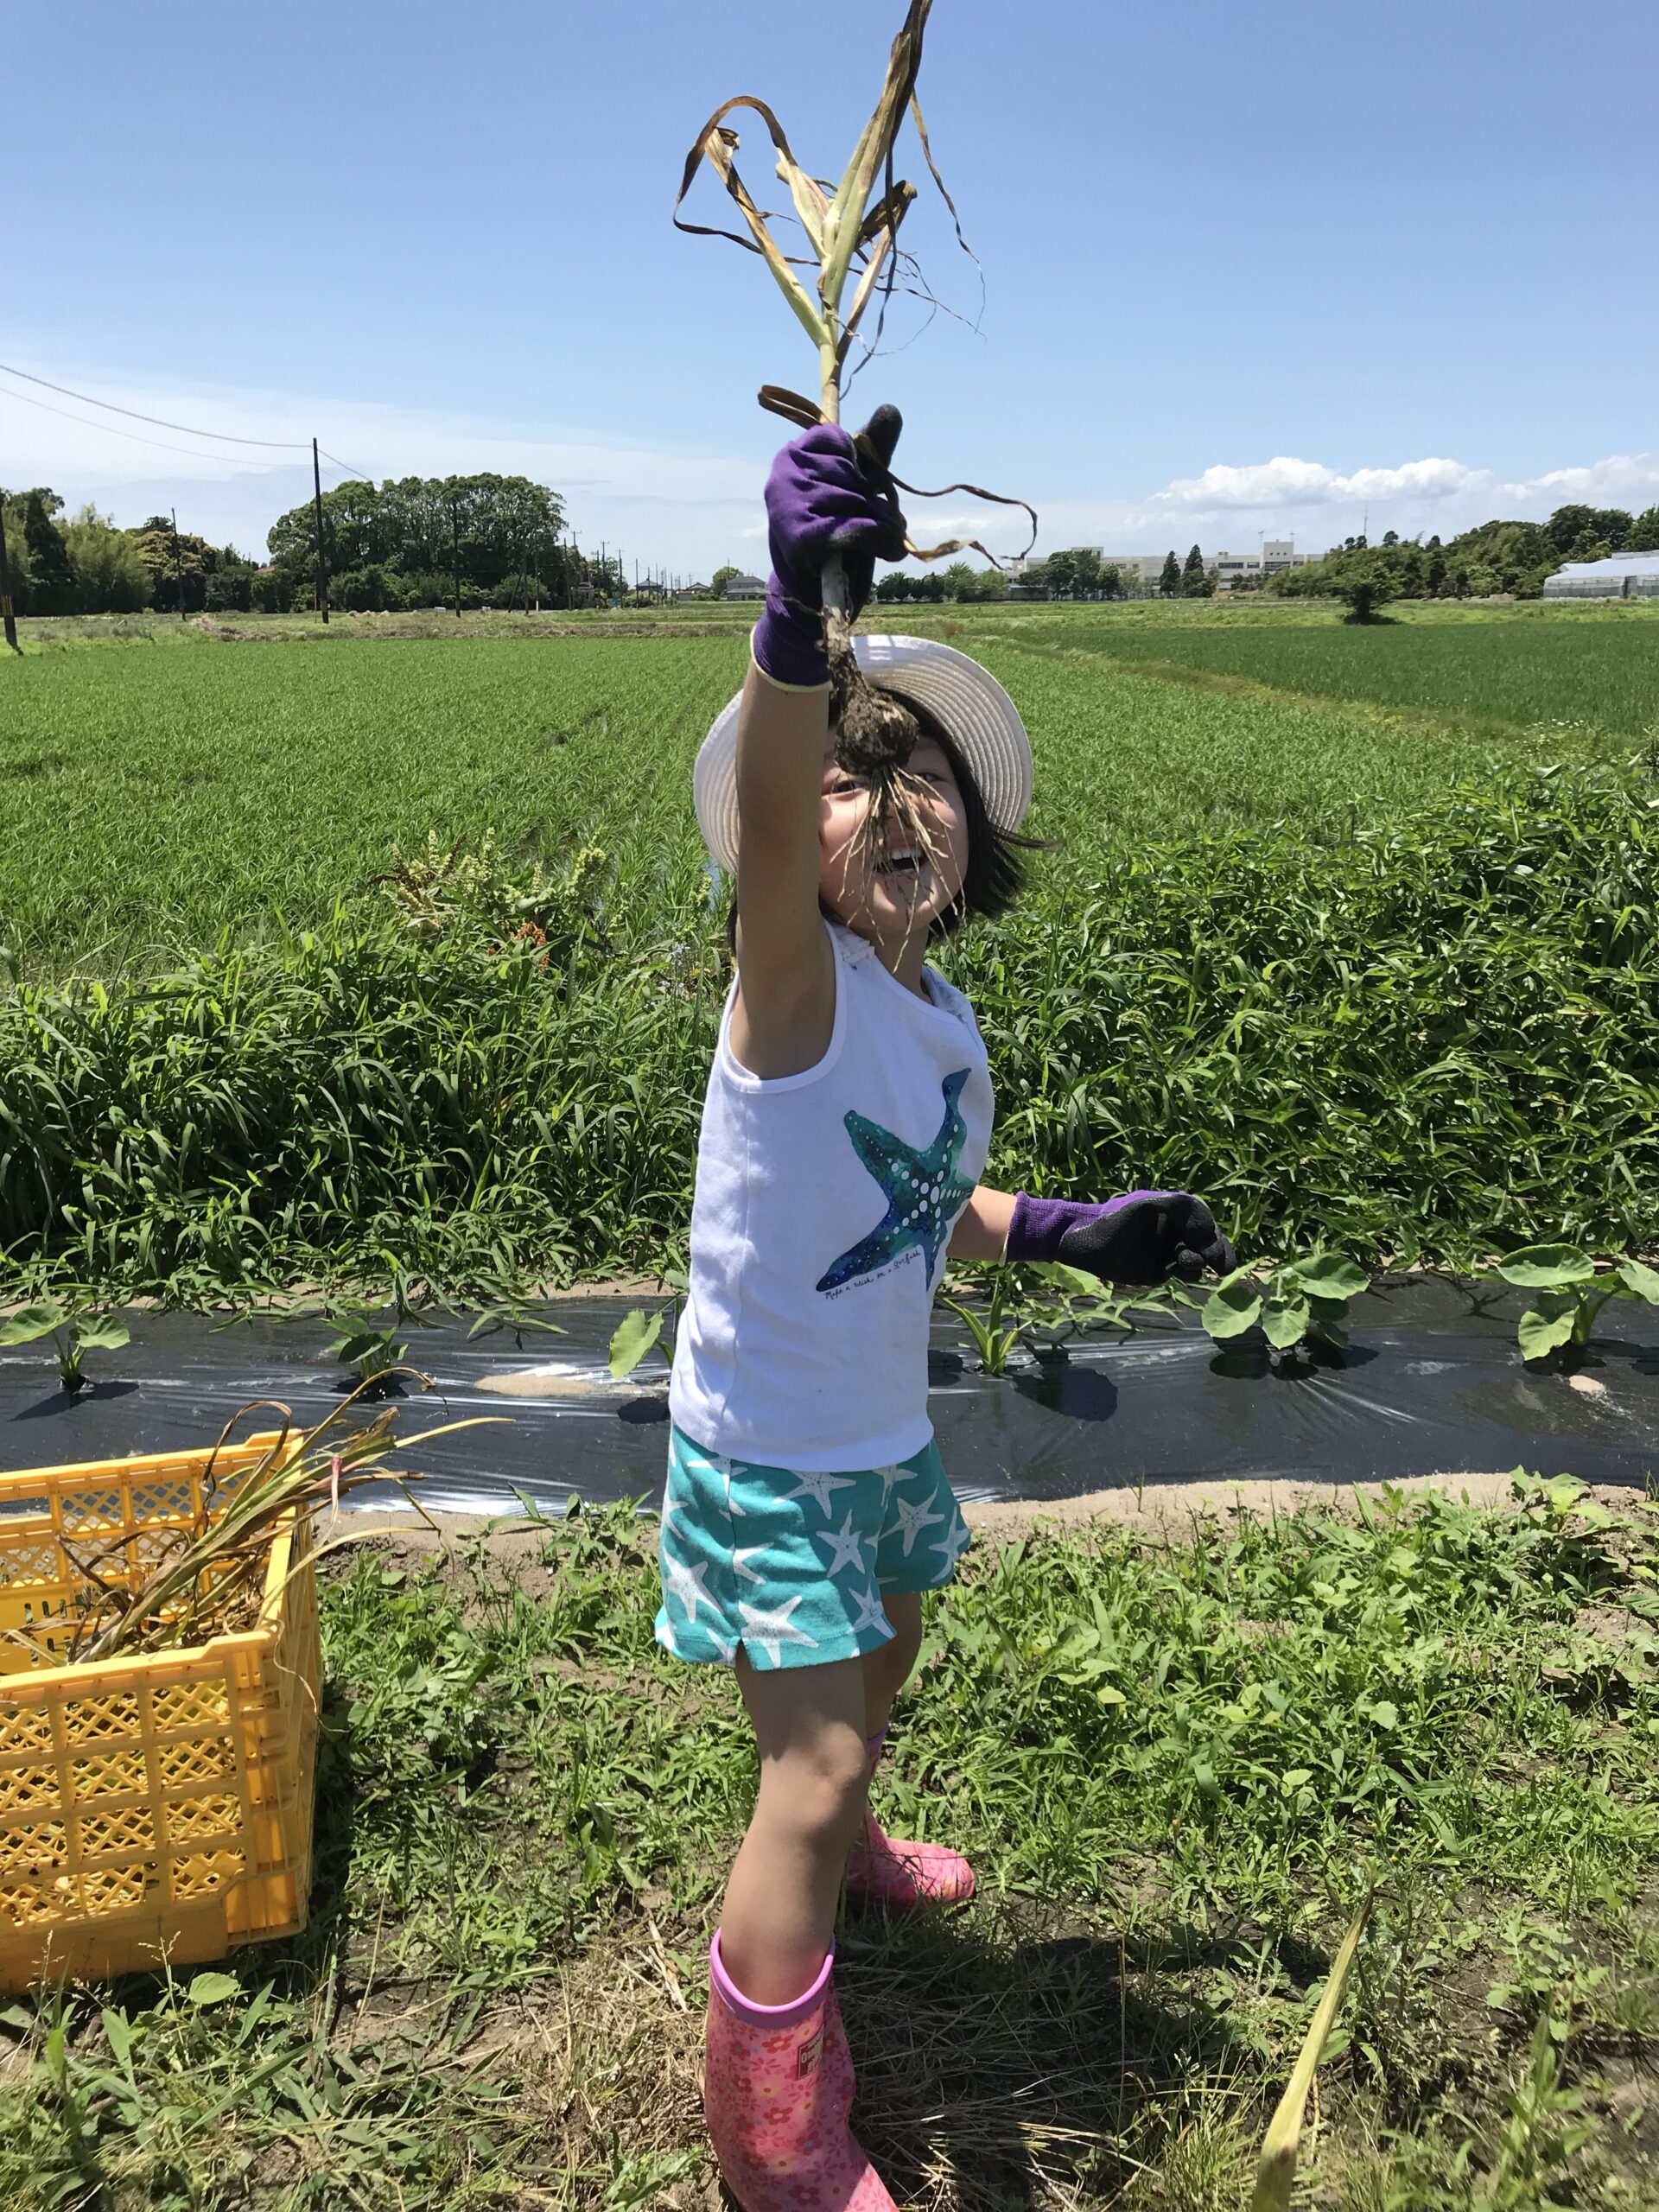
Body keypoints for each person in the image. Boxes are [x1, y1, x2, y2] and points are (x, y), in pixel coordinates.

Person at [658, 422, 1236, 2211]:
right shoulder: (796, 985)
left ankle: (842, 1855)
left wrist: (1068, 1229)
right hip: (770, 1451)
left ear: (974, 836)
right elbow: (770, 812)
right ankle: (772, 2133)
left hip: (874, 1436)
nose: (891, 799)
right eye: (852, 777)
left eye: (923, 779)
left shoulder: (939, 1020)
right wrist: (787, 626)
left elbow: (928, 1206)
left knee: (890, 1652)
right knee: (810, 1766)